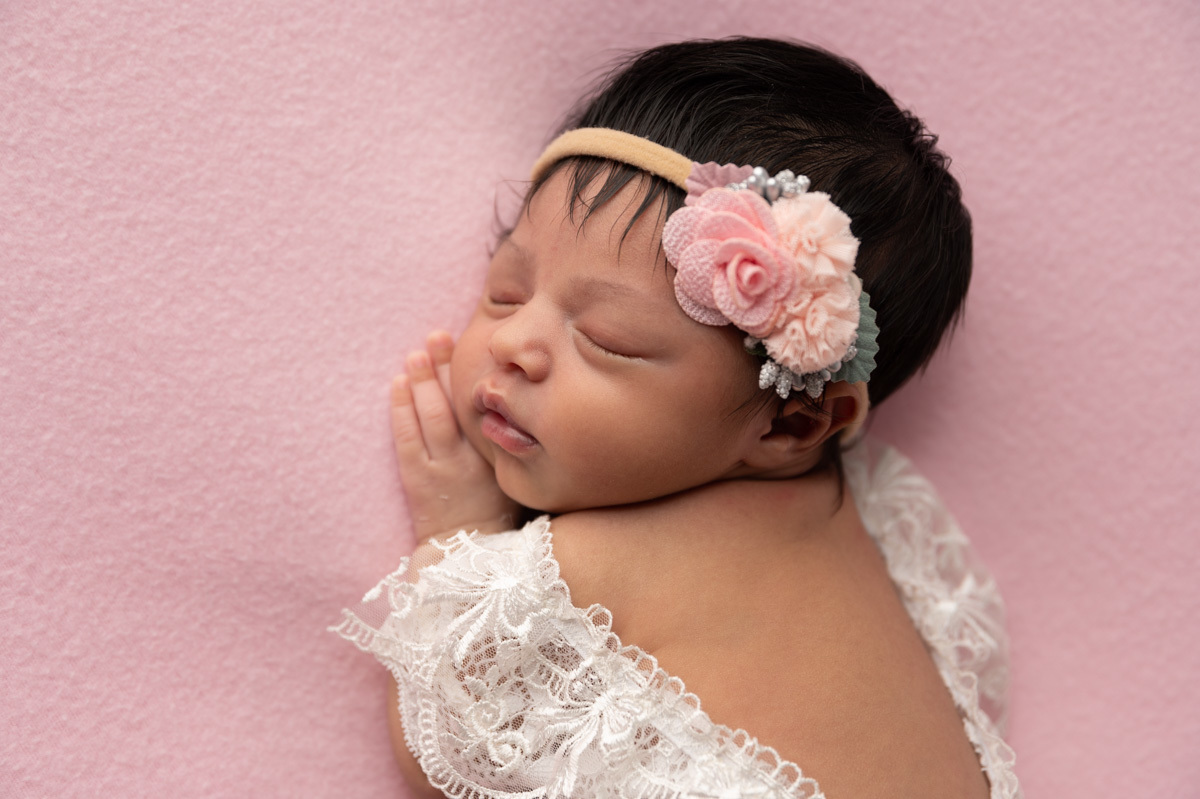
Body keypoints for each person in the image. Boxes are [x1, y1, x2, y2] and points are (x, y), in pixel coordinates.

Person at [333, 37, 1020, 799]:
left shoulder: (588, 565)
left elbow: (454, 746)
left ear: (791, 426)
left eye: (606, 340)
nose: (513, 342)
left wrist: (456, 531)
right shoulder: (874, 522)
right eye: (506, 289)